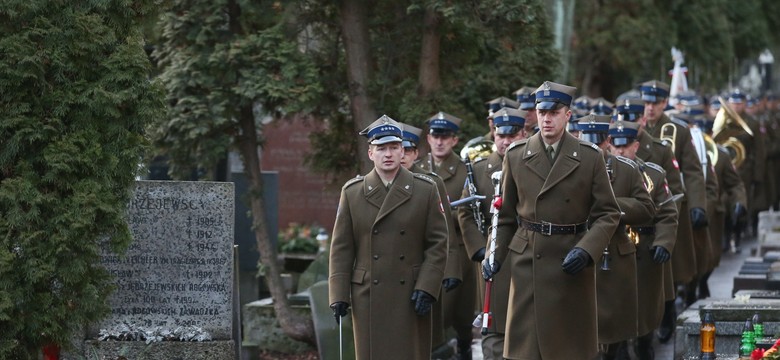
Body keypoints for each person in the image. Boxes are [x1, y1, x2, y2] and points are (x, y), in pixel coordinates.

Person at [483, 81, 621, 359]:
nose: (547, 118)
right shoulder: (517, 155)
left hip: (570, 258)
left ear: (567, 115)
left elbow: (608, 213)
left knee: (568, 348)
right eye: (542, 112)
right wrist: (494, 255)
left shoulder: (589, 156)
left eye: (554, 112)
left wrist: (587, 249)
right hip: (528, 262)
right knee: (526, 348)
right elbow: (506, 215)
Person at [328, 115, 448, 360]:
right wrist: (338, 295)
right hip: (369, 296)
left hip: (411, 294)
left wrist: (427, 286)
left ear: (403, 150)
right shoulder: (353, 192)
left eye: (394, 147)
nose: (389, 154)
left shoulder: (425, 190)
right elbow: (341, 248)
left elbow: (438, 243)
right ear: (371, 153)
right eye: (381, 148)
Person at [574, 115, 655, 359]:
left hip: (615, 257)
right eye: (587, 143)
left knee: (615, 330)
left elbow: (647, 209)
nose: (593, 149)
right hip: (580, 250)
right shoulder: (571, 167)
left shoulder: (627, 169)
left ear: (607, 141)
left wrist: (611, 205)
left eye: (597, 144)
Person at [639, 80, 707, 341]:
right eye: (646, 103)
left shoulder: (677, 130)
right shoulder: (631, 130)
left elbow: (691, 171)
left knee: (670, 267)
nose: (650, 108)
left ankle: (668, 312)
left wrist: (698, 205)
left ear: (664, 103)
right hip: (641, 206)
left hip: (670, 204)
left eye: (655, 103)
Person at [458, 107, 527, 360]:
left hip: (526, 251)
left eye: (512, 135)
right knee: (493, 325)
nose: (506, 141)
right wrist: (478, 249)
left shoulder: (532, 165)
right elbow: (465, 212)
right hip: (492, 254)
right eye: (501, 135)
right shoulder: (478, 170)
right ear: (494, 135)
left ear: (523, 133)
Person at [608, 120, 678, 360]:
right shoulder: (601, 173)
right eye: (615, 146)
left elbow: (668, 213)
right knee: (616, 308)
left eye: (625, 146)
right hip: (614, 249)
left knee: (645, 310)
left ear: (636, 146)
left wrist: (663, 243)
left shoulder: (654, 174)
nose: (620, 151)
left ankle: (644, 343)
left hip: (645, 250)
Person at [399, 122, 463, 358]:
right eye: (398, 149)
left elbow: (445, 233)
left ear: (416, 153)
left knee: (428, 338)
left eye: (407, 150)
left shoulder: (431, 182)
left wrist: (451, 270)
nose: (402, 156)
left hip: (425, 269)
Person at [419, 111, 474, 359]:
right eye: (435, 136)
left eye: (445, 137)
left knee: (459, 312)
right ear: (428, 139)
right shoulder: (416, 169)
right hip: (426, 250)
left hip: (458, 250)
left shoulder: (465, 171)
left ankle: (463, 348)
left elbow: (470, 214)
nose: (439, 141)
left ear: (454, 140)